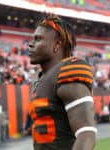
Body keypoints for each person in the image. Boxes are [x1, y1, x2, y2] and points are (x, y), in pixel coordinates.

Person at [28, 13, 97, 150]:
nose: (31, 44)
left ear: (57, 44)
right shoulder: (39, 78)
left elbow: (87, 134)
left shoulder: (68, 71)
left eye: (38, 39)